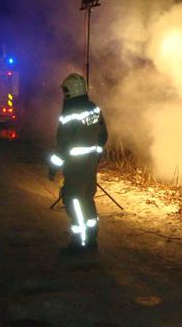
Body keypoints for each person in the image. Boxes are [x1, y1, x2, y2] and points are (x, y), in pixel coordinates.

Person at [48, 73, 108, 255]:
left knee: (74, 202)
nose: (64, 95)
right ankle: (91, 240)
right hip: (89, 166)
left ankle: (81, 245)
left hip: (75, 167)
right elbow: (103, 135)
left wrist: (53, 166)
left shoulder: (69, 114)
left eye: (66, 91)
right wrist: (95, 155)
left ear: (72, 91)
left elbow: (63, 144)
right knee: (87, 201)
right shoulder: (94, 109)